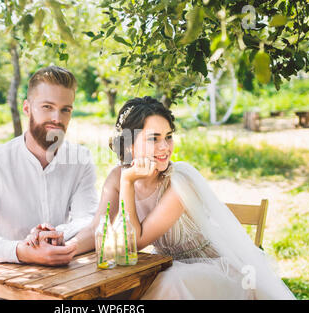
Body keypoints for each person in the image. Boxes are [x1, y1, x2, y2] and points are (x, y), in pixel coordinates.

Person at [70, 96, 295, 300]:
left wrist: (128, 182)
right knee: (118, 287)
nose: (165, 147)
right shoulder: (116, 176)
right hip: (170, 266)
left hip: (217, 270)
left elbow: (135, 242)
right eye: (154, 138)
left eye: (168, 137)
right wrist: (67, 249)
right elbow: (96, 228)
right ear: (129, 144)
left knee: (167, 283)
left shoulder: (179, 180)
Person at [0, 66, 98, 267]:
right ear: (27, 108)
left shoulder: (81, 159)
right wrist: (24, 251)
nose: (57, 119)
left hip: (63, 277)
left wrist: (54, 236)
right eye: (47, 107)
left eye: (65, 110)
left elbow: (88, 220)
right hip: (4, 279)